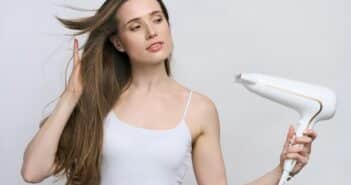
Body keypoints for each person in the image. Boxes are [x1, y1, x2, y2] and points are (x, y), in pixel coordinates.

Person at [21, 0, 318, 184]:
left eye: (157, 19)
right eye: (136, 26)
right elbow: (33, 172)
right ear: (118, 43)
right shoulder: (101, 102)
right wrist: (71, 96)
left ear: (168, 25)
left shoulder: (199, 109)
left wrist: (282, 170)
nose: (152, 32)